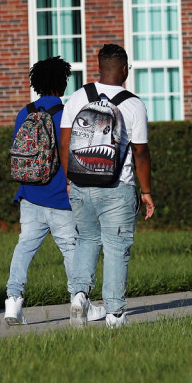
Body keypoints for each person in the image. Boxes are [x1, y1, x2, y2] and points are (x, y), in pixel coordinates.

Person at [61, 44, 155, 327]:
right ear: (125, 69)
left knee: (87, 240)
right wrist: (147, 192)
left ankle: (79, 296)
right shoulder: (133, 104)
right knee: (116, 247)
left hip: (80, 184)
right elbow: (140, 152)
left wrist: (69, 179)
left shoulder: (78, 97)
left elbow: (64, 143)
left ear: (99, 67)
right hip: (118, 187)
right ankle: (114, 313)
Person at [5, 56, 83, 325]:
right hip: (61, 197)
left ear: (35, 84)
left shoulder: (24, 113)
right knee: (71, 249)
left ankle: (13, 302)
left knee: (24, 247)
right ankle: (77, 300)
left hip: (29, 195)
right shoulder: (66, 114)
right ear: (61, 86)